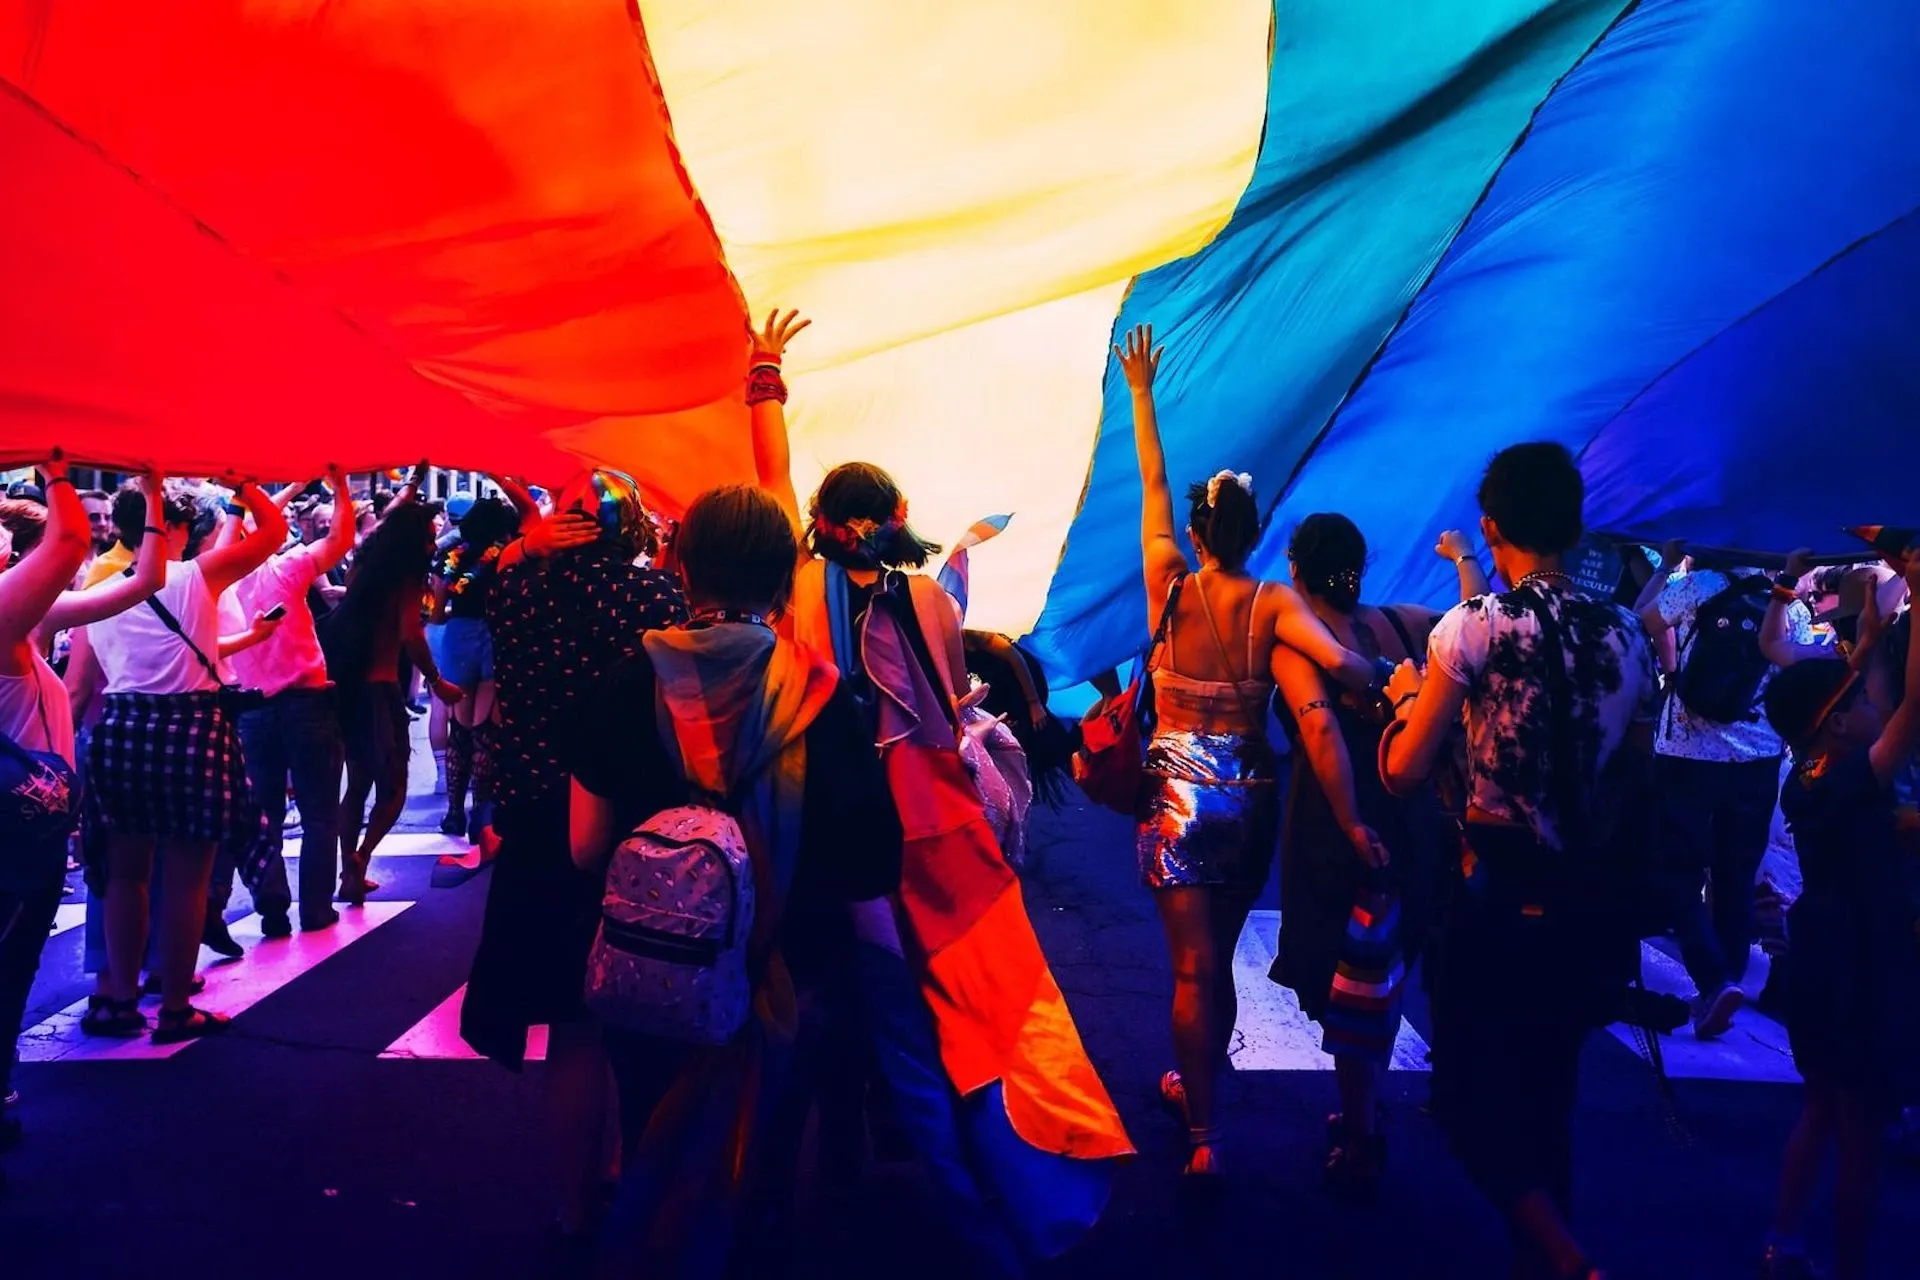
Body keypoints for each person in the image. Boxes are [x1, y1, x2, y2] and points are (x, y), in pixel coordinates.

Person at [757, 310, 1131, 1273]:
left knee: (872, 1015)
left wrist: (766, 377)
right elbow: (938, 712)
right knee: (986, 1012)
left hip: (841, 830)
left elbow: (768, 484)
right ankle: (1012, 1193)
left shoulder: (801, 591)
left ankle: (882, 1182)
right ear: (889, 517)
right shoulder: (929, 600)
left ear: (822, 524)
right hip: (941, 830)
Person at [568, 483, 902, 1277]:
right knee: (765, 1164)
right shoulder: (822, 696)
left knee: (656, 1128)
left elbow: (586, 847)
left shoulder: (631, 681)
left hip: (655, 972)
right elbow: (868, 866)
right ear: (787, 576)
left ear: (683, 570)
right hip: (790, 974)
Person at [1381, 442, 1659, 1280]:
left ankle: (1568, 1260)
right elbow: (1634, 770)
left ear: (1491, 526)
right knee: (1549, 1098)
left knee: (1466, 1097)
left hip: (1495, 893)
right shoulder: (1628, 635)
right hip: (1588, 898)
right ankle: (1542, 1254)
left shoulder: (1473, 628)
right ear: (1573, 528)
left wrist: (1401, 705)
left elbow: (1405, 769)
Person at [1114, 323, 1372, 1179]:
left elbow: (1150, 480)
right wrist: (1404, 677)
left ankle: (1201, 1139)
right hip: (1249, 794)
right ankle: (1202, 1091)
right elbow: (1341, 664)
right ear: (1257, 532)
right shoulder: (1271, 603)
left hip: (1177, 796)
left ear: (1197, 528)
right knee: (1218, 962)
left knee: (1188, 971)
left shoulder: (1168, 582)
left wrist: (1143, 394)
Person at [460, 469, 685, 1245]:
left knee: (572, 1026)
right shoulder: (655, 601)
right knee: (644, 1015)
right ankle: (632, 1175)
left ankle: (573, 1202)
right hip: (631, 826)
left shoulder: (518, 594)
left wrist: (526, 542)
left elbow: (484, 576)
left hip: (538, 826)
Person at [1754, 548, 1920, 1280]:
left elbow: (1883, 699)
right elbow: (1913, 708)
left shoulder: (1811, 778)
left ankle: (1783, 1243)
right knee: (1863, 1131)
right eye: (1853, 707)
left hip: (1818, 953)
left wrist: (1877, 634)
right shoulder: (1853, 776)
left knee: (1820, 1109)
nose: (1866, 710)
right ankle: (1852, 1265)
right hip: (1859, 959)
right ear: (1832, 728)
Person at [1269, 513, 1445, 1196]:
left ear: (1296, 570)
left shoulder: (1298, 646)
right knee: (1385, 967)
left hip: (1338, 824)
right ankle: (1363, 1107)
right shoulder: (1406, 625)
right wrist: (1462, 560)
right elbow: (1470, 625)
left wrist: (1346, 821)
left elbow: (1319, 737)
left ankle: (1362, 1128)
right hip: (1411, 815)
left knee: (1343, 978)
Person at [84, 474, 286, 1042]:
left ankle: (120, 1003)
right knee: (186, 880)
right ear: (170, 527)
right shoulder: (196, 575)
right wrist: (239, 481)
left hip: (121, 726)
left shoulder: (98, 589)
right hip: (192, 726)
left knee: (125, 876)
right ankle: (175, 1008)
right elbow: (275, 531)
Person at [0, 459, 165, 1115]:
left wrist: (151, 494)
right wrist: (57, 466)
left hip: (28, 827)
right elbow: (69, 542)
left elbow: (145, 579)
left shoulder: (25, 621)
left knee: (14, 969)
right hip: (12, 834)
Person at [1639, 547, 1809, 1038]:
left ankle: (1714, 981)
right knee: (1735, 877)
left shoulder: (1696, 587)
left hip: (1685, 753)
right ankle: (1728, 981)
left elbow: (1641, 621)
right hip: (1757, 757)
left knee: (1678, 871)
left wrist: (1666, 567)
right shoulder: (1790, 604)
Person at [225, 469, 357, 935]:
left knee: (266, 817)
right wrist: (338, 487)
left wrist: (269, 494)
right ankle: (316, 909)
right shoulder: (288, 567)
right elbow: (341, 538)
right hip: (306, 703)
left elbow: (263, 528)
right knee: (320, 812)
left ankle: (273, 907)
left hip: (253, 710)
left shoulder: (217, 583)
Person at [320, 498, 463, 904]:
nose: (435, 542)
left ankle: (349, 868)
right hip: (379, 691)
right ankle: (361, 858)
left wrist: (413, 485)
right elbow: (411, 634)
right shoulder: (407, 577)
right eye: (431, 535)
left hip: (347, 687)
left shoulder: (362, 567)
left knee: (358, 783)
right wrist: (438, 682)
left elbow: (383, 524)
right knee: (394, 788)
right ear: (413, 539)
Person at [428, 491, 530, 844]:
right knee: (487, 728)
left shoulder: (452, 558)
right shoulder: (508, 559)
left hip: (459, 636)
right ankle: (480, 815)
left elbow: (438, 610)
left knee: (461, 725)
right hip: (495, 636)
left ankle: (454, 813)